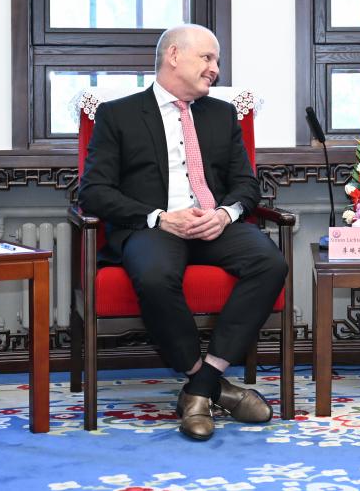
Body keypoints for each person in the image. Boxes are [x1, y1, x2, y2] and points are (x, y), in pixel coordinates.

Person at [78, 23, 288, 441]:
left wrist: (225, 214)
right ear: (174, 56)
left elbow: (247, 185)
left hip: (214, 223)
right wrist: (159, 217)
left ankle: (201, 386)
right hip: (154, 226)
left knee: (270, 263)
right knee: (155, 275)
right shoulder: (118, 115)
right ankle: (209, 385)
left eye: (217, 61)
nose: (215, 69)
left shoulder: (222, 114)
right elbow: (94, 192)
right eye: (207, 58)